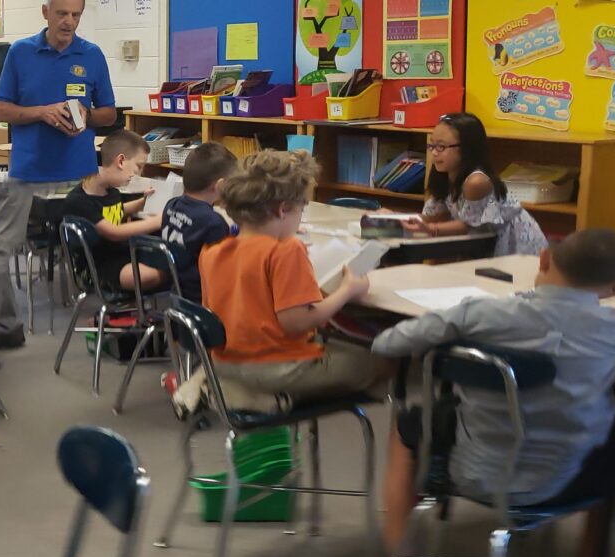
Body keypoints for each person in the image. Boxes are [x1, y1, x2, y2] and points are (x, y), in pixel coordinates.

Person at [367, 228, 615, 557]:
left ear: (544, 258)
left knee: (407, 426)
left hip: (469, 471)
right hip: (572, 480)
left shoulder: (481, 313)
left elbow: (387, 344)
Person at [0, 0, 118, 368]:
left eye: (76, 15)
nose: (69, 22)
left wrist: (86, 114)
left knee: (107, 241)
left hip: (79, 175)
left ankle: (15, 326)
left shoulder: (92, 55)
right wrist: (42, 112)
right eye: (62, 14)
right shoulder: (21, 53)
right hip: (27, 173)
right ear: (46, 12)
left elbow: (109, 113)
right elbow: (2, 109)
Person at [199, 150, 392, 411]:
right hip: (279, 368)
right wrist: (347, 290)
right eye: (302, 209)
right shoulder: (286, 251)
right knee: (385, 360)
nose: (301, 216)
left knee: (335, 352)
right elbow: (297, 322)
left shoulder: (213, 253)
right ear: (283, 210)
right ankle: (279, 399)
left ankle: (246, 392)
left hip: (225, 364)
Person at [404, 112, 547, 256]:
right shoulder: (444, 174)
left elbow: (468, 226)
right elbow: (437, 215)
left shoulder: (476, 182)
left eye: (441, 146)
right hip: (484, 242)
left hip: (517, 245)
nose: (434, 153)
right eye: (431, 145)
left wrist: (430, 229)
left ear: (467, 148)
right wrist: (397, 219)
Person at [60, 129, 161, 291]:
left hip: (120, 253)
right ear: (120, 161)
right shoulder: (79, 201)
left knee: (164, 258)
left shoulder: (111, 191)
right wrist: (156, 221)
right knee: (147, 275)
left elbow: (115, 211)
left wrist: (143, 202)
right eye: (138, 166)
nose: (138, 174)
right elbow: (114, 232)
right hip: (98, 267)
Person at [157, 142, 238, 302]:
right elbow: (224, 268)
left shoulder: (172, 204)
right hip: (201, 296)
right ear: (220, 185)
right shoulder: (213, 222)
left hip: (177, 290)